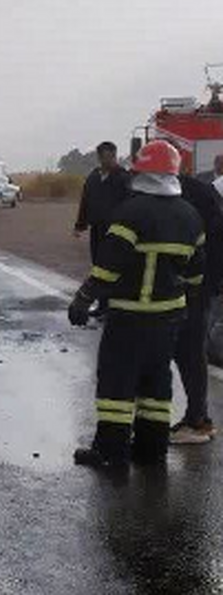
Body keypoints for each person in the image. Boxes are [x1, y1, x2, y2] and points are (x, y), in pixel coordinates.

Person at [67, 140, 204, 469]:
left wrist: (83, 299)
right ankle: (150, 450)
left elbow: (107, 267)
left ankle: (110, 452)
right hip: (169, 318)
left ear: (141, 173)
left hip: (129, 315)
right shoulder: (190, 216)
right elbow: (196, 275)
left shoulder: (130, 213)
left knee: (116, 383)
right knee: (156, 385)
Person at [171, 171, 223, 444]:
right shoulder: (202, 191)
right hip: (204, 283)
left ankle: (197, 420)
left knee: (190, 350)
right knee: (191, 350)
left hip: (197, 286)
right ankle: (197, 417)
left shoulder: (190, 196)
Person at [74, 141, 131, 281]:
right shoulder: (93, 178)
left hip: (117, 230)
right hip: (97, 229)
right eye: (106, 157)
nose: (110, 160)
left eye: (113, 156)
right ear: (99, 158)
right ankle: (101, 296)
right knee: (98, 264)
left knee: (114, 265)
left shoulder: (124, 178)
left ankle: (112, 296)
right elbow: (85, 201)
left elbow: (131, 205)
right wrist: (80, 225)